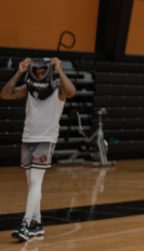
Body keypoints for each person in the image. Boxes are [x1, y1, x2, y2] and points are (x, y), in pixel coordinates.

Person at [1, 57, 76, 242]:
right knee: (32, 185)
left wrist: (60, 69)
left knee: (35, 182)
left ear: (49, 70)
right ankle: (37, 223)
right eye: (37, 70)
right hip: (28, 137)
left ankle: (25, 225)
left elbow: (72, 91)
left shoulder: (58, 88)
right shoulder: (29, 87)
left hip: (46, 138)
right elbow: (5, 94)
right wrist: (19, 71)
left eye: (43, 70)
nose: (39, 72)